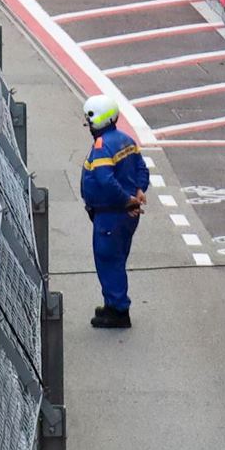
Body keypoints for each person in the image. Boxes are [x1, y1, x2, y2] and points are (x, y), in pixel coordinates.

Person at [80, 95, 148, 329]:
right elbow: (142, 169)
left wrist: (126, 201)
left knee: (109, 261)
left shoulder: (102, 146)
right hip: (125, 215)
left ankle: (118, 311)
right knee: (117, 258)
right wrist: (139, 191)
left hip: (111, 215)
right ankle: (111, 303)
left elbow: (105, 181)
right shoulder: (126, 140)